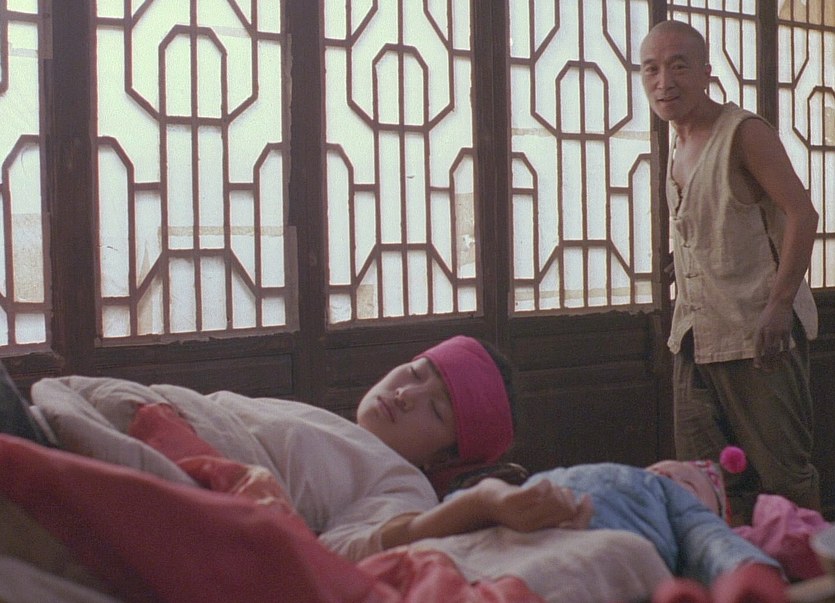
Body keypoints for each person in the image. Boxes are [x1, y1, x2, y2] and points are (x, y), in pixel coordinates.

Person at [4, 335, 590, 562]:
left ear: (444, 458)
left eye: (436, 410)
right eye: (415, 372)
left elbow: (350, 547)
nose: (406, 394)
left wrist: (478, 504)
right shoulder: (329, 426)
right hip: (117, 414)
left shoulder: (401, 482)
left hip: (162, 459)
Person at [639, 19, 821, 524]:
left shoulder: (743, 133)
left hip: (757, 333)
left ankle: (807, 567)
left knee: (784, 479)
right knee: (704, 482)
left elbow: (802, 215)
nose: (664, 82)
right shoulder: (677, 140)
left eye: (678, 66)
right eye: (651, 69)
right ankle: (731, 567)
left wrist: (779, 305)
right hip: (695, 335)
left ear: (705, 72)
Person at [512, 456, 781, 585]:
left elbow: (712, 540)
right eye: (671, 468)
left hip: (604, 552)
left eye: (689, 485)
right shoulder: (625, 474)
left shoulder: (676, 505)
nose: (673, 476)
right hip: (527, 529)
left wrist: (746, 570)